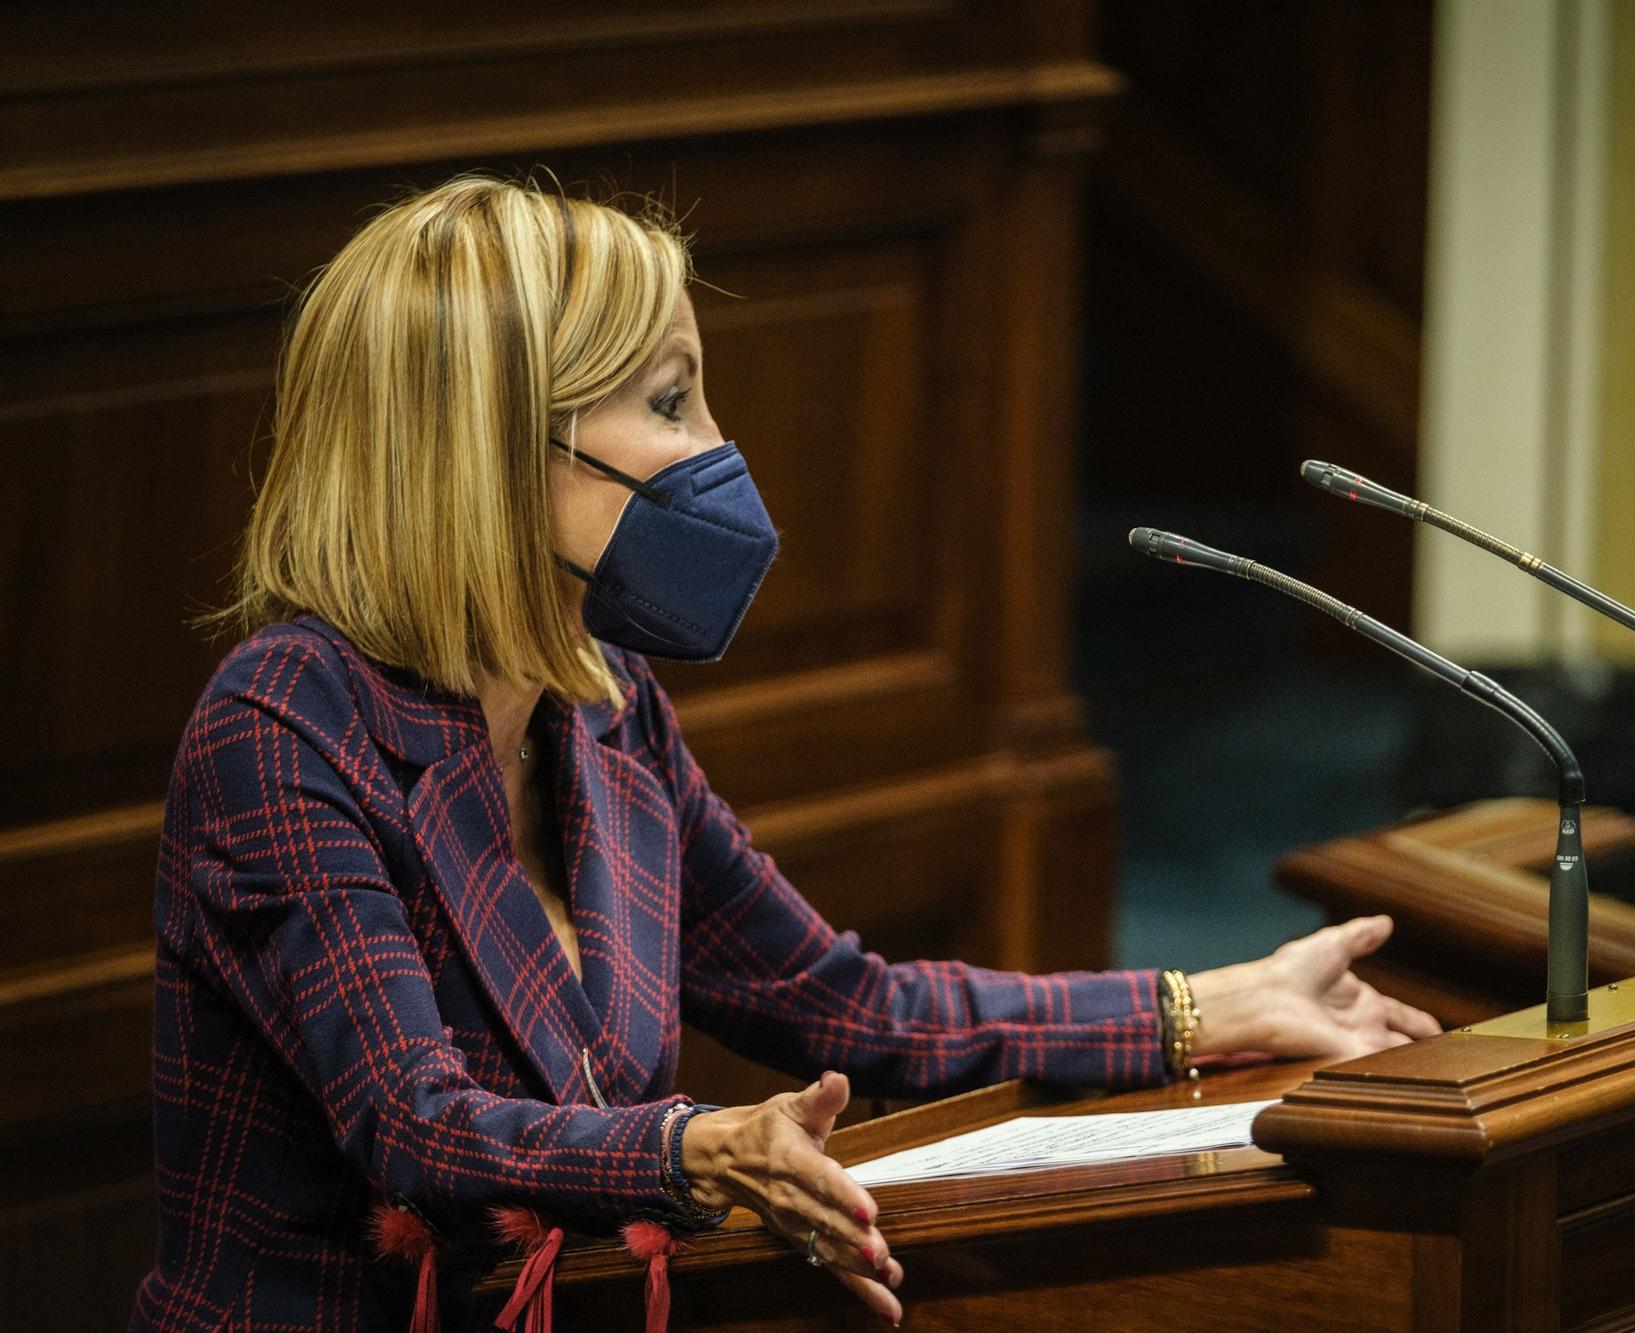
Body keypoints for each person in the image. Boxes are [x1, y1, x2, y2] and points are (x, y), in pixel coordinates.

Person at [130, 175, 1441, 1332]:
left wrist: (1196, 1007)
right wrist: (697, 1149)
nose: (716, 451)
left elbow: (849, 1006)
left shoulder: (600, 703)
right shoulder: (286, 720)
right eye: (669, 400)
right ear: (484, 448)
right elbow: (415, 1127)